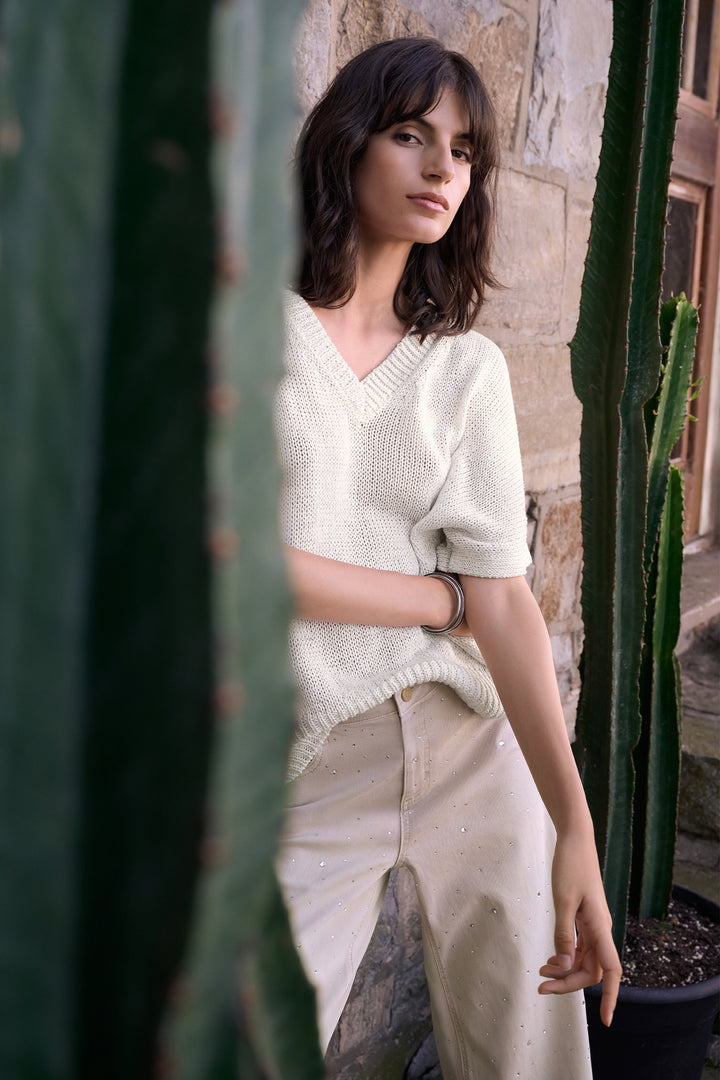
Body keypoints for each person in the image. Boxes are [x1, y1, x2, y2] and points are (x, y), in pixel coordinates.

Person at [275, 37, 621, 1079]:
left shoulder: (462, 369)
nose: (441, 170)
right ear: (348, 146)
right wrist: (441, 598)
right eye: (409, 134)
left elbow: (505, 605)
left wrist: (576, 830)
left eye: (463, 150)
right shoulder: (254, 329)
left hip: (471, 745)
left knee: (531, 1053)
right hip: (307, 759)